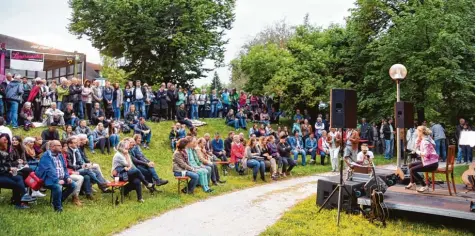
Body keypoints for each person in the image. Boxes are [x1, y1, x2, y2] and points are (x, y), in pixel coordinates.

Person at [36, 140, 76, 212]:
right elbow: (49, 170)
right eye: (59, 145)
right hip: (48, 179)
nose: (61, 147)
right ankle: (58, 208)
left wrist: (67, 177)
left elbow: (64, 168)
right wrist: (57, 180)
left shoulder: (60, 155)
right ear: (52, 147)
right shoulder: (46, 156)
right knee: (57, 186)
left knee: (73, 184)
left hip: (61, 178)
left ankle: (58, 200)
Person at [405, 126, 440, 193]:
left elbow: (426, 154)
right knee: (410, 165)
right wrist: (418, 140)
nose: (416, 133)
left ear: (421, 132)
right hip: (429, 162)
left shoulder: (425, 142)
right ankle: (412, 183)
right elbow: (416, 146)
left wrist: (417, 151)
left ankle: (424, 186)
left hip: (431, 164)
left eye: (417, 132)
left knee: (412, 170)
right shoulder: (427, 138)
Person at [0, 133, 29, 209]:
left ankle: (23, 197)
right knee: (16, 183)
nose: (6, 142)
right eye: (4, 140)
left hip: (5, 173)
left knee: (19, 177)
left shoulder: (6, 151)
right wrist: (9, 169)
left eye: (7, 140)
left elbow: (8, 163)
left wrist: (11, 168)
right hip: (1, 174)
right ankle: (19, 202)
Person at [61, 141, 89, 205]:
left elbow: (65, 167)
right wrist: (72, 172)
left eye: (66, 146)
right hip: (63, 175)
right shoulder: (60, 156)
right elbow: (62, 168)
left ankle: (76, 196)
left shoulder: (65, 154)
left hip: (68, 172)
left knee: (86, 176)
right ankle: (75, 197)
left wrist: (72, 171)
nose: (66, 148)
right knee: (81, 177)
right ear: (61, 148)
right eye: (64, 146)